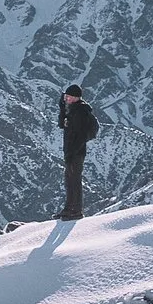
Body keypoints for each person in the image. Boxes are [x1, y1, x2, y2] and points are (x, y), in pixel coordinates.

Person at [56, 83, 101, 220]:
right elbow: (61, 125)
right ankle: (69, 208)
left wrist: (72, 152)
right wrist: (63, 109)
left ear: (76, 98)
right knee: (69, 180)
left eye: (69, 97)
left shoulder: (80, 112)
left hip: (76, 152)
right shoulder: (71, 110)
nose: (66, 99)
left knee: (75, 180)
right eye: (66, 97)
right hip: (70, 151)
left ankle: (76, 211)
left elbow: (80, 136)